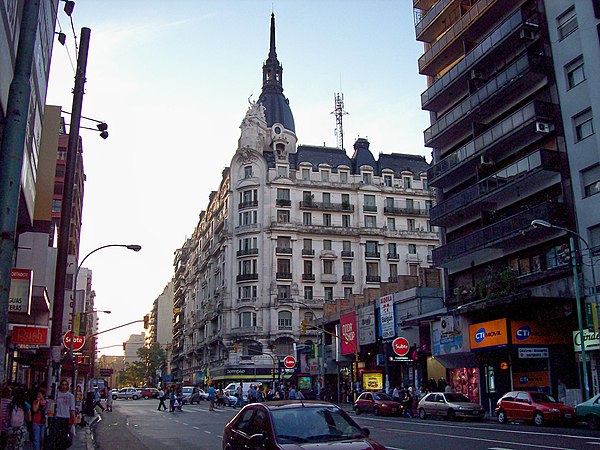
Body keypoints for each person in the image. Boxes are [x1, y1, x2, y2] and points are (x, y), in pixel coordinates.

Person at [51, 379, 76, 450]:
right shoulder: (56, 394)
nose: (64, 386)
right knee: (57, 436)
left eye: (65, 385)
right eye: (63, 384)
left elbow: (72, 409)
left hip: (66, 417)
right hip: (57, 417)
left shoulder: (70, 396)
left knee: (64, 437)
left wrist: (73, 420)